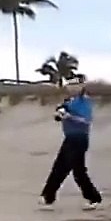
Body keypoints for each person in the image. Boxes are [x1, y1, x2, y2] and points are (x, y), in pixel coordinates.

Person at [39, 81, 102, 210]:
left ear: (81, 87)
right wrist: (60, 113)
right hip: (69, 138)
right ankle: (48, 197)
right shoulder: (68, 101)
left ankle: (93, 198)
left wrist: (69, 116)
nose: (72, 87)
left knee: (78, 170)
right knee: (59, 168)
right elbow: (59, 115)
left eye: (75, 85)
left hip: (79, 138)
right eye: (70, 85)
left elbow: (85, 120)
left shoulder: (83, 102)